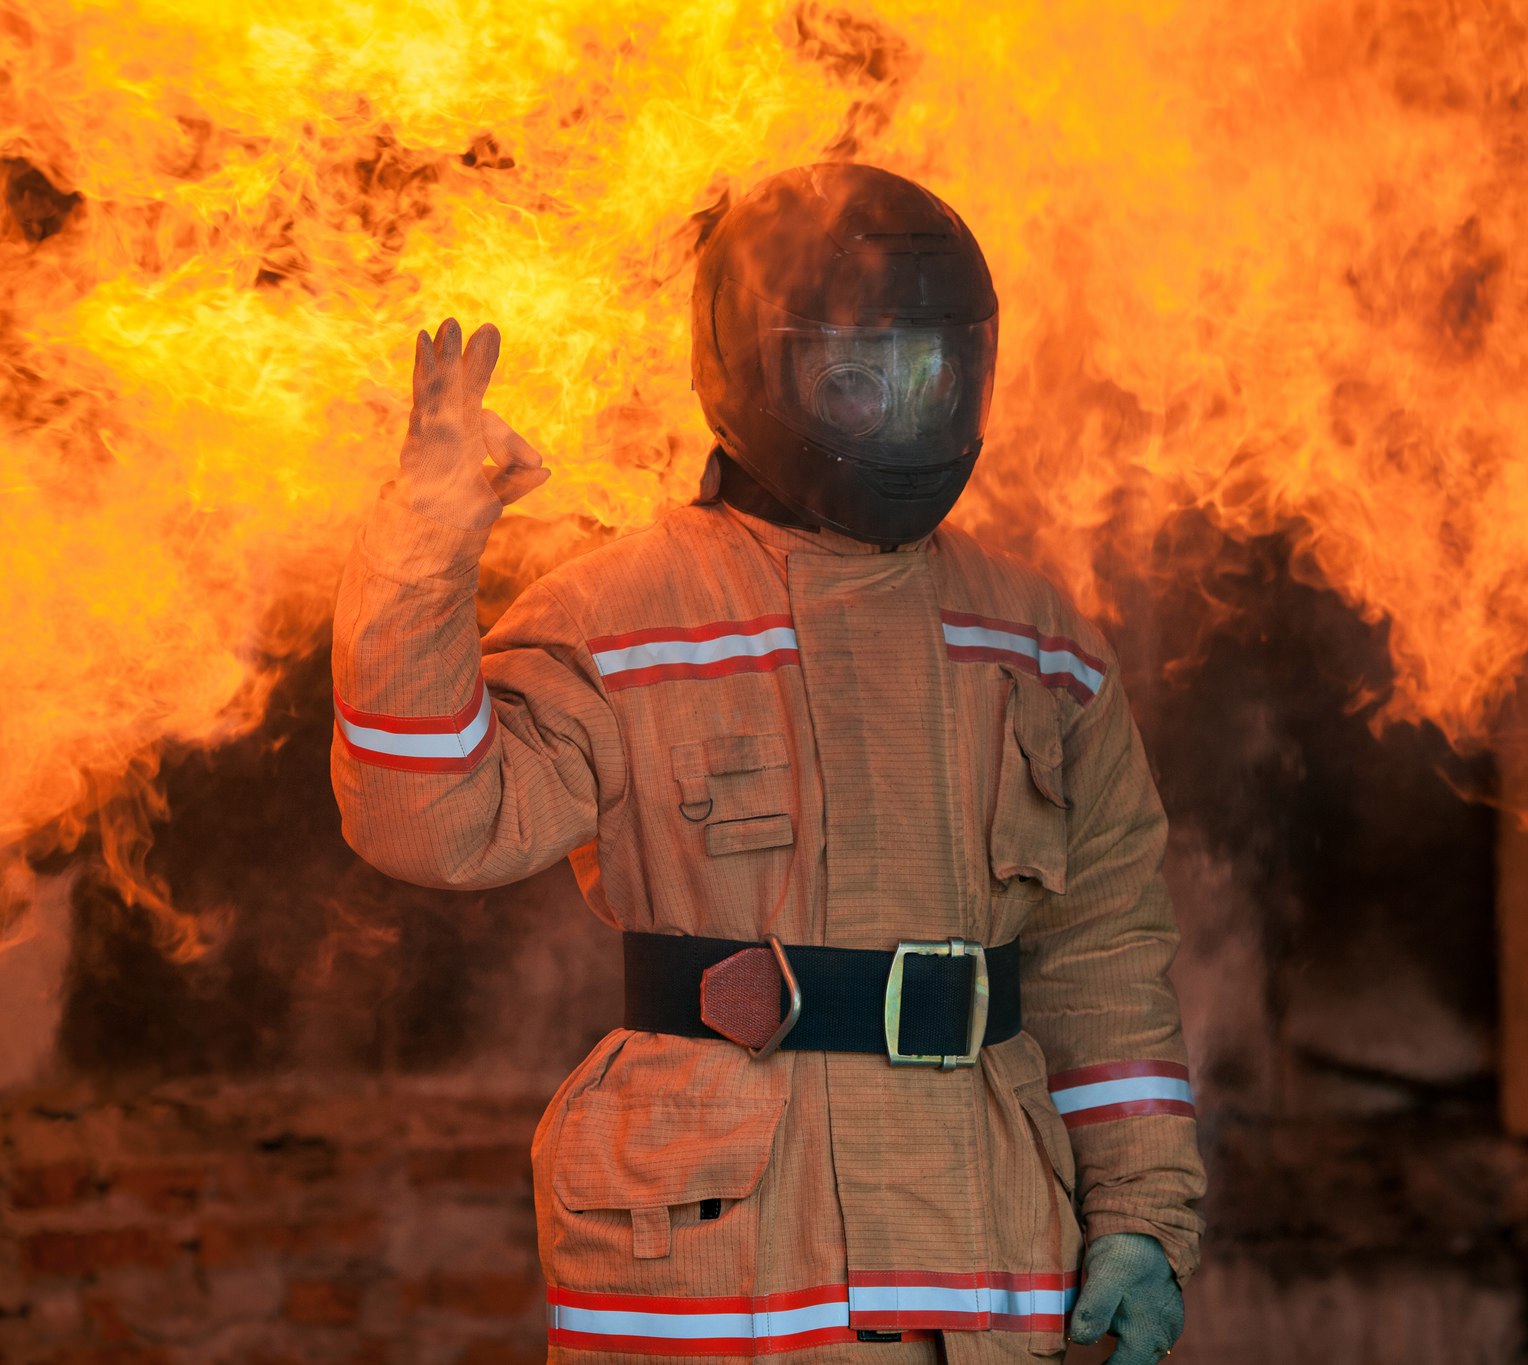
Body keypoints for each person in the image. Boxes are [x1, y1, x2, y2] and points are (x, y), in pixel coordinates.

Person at [330, 163, 1203, 1364]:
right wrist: (423, 543)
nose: (902, 411)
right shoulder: (616, 616)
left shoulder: (1037, 643)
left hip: (987, 1272)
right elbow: (426, 818)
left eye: (932, 374)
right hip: (723, 1278)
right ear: (750, 368)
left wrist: (1144, 1216)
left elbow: (1104, 953)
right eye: (854, 377)